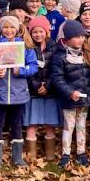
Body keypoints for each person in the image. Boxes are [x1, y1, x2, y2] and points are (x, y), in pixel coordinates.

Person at [0, 15, 38, 169]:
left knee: (17, 124)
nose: (9, 30)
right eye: (6, 27)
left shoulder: (25, 47)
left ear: (18, 29)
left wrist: (21, 70)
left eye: (12, 27)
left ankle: (17, 156)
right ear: (1, 29)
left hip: (18, 93)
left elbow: (33, 66)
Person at [50, 19, 90, 169]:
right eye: (77, 37)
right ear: (68, 39)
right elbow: (57, 78)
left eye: (82, 36)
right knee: (69, 126)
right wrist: (70, 92)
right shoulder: (60, 56)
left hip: (85, 98)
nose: (80, 39)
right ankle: (66, 154)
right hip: (69, 98)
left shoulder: (87, 53)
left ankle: (81, 153)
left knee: (82, 125)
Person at [25, 16, 61, 162]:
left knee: (50, 124)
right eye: (34, 32)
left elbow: (57, 68)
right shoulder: (27, 47)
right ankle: (31, 155)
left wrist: (48, 85)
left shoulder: (55, 46)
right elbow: (26, 67)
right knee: (31, 123)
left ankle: (50, 153)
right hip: (33, 91)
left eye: (41, 31)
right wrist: (35, 85)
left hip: (50, 91)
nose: (38, 34)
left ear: (46, 32)